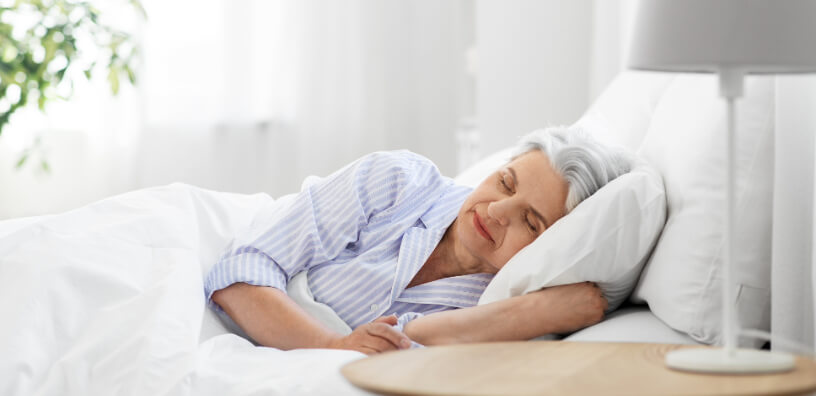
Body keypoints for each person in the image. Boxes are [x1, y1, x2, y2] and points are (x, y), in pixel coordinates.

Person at [205, 127, 632, 355]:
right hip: (204, 297)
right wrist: (335, 347)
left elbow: (411, 349)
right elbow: (241, 274)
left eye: (531, 223)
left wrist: (538, 312)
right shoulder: (398, 181)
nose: (496, 211)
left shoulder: (498, 302)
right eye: (505, 182)